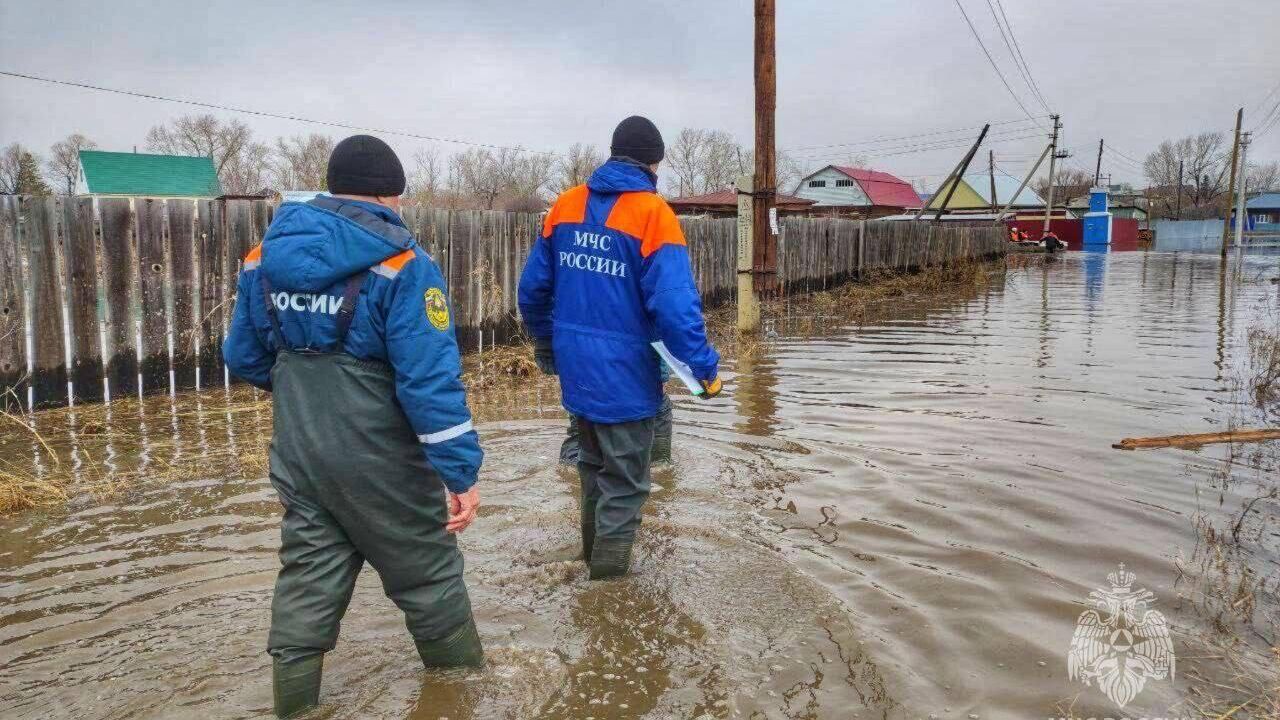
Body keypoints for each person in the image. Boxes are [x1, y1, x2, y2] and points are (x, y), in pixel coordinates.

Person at [223, 135, 484, 718]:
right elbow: (428, 383)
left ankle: (294, 707)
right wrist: (461, 472)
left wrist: (305, 395)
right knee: (429, 577)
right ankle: (464, 694)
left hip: (299, 451)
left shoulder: (262, 258)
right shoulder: (404, 264)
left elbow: (243, 356)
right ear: (392, 195)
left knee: (308, 577)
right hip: (380, 458)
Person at [518, 116, 722, 580]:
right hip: (627, 374)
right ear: (655, 163)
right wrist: (704, 369)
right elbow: (675, 308)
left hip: (577, 370)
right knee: (626, 486)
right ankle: (607, 595)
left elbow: (532, 290)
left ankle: (590, 564)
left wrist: (548, 346)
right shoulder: (653, 213)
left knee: (592, 470)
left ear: (612, 153)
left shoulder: (566, 205)